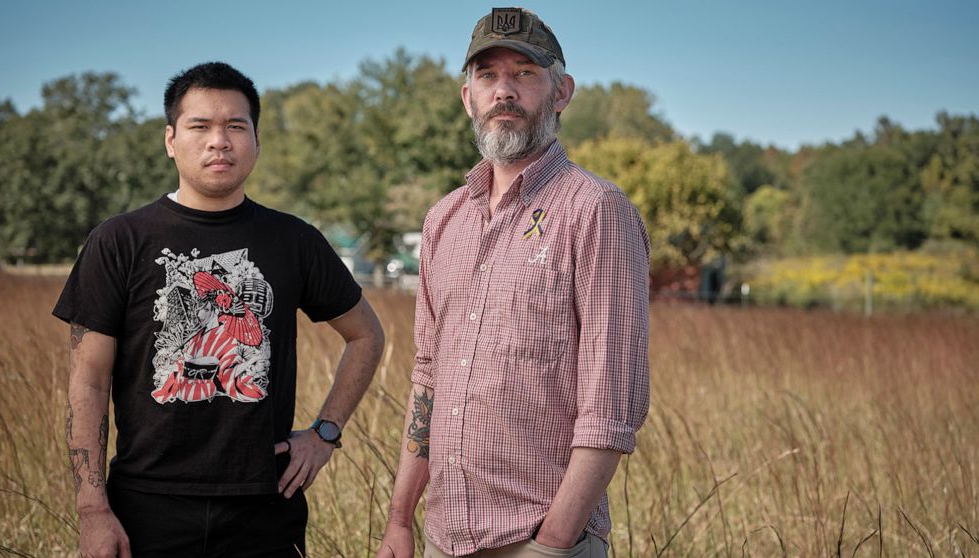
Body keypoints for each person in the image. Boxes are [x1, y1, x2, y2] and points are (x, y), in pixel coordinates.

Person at [54, 61, 384, 557]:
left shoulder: (294, 240)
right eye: (200, 126)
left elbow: (367, 336)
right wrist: (92, 509)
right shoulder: (119, 241)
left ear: (256, 140)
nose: (219, 141)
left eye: (235, 126)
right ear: (170, 139)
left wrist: (325, 434)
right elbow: (89, 381)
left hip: (264, 505)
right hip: (146, 505)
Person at [377, 8, 651, 558]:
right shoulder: (444, 221)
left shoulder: (595, 211)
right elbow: (428, 377)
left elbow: (611, 404)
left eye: (525, 73)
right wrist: (401, 519)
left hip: (541, 542)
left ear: (562, 91)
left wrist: (551, 543)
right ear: (467, 98)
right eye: (487, 76)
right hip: (441, 541)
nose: (504, 90)